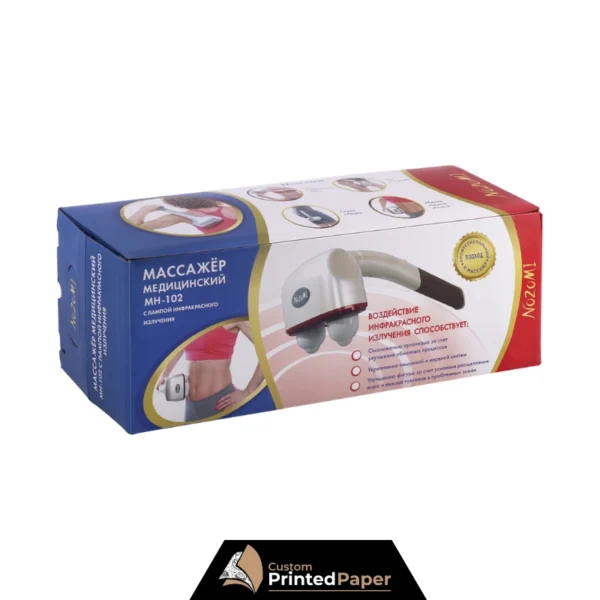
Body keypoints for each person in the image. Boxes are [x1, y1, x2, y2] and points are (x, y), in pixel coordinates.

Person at [157, 322, 264, 422]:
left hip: (221, 403)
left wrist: (248, 392)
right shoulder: (190, 319)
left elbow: (266, 349)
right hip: (190, 404)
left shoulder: (233, 317)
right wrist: (165, 375)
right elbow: (179, 347)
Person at [128, 195, 240, 234]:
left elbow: (132, 229)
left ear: (177, 204)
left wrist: (144, 210)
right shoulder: (231, 209)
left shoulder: (185, 216)